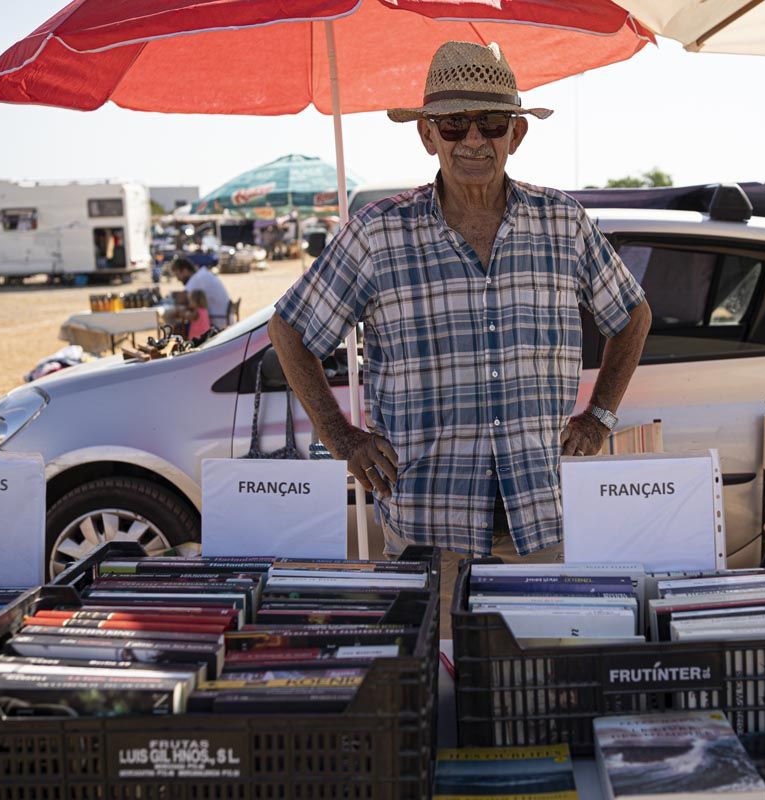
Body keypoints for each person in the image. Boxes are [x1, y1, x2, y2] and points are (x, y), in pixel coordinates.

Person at [267, 41, 651, 615]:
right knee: (440, 693)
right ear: (427, 136)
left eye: (492, 122)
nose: (473, 138)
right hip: (427, 524)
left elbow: (633, 314)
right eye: (453, 123)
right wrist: (339, 435)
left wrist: (600, 415)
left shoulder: (563, 223)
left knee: (533, 686)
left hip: (542, 522)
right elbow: (290, 328)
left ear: (515, 135)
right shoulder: (378, 233)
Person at [170, 256, 230, 329]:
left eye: (177, 274)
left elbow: (183, 299)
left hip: (217, 321)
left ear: (185, 271)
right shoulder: (201, 274)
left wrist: (173, 296)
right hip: (223, 317)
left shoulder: (196, 279)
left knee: (177, 328)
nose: (178, 279)